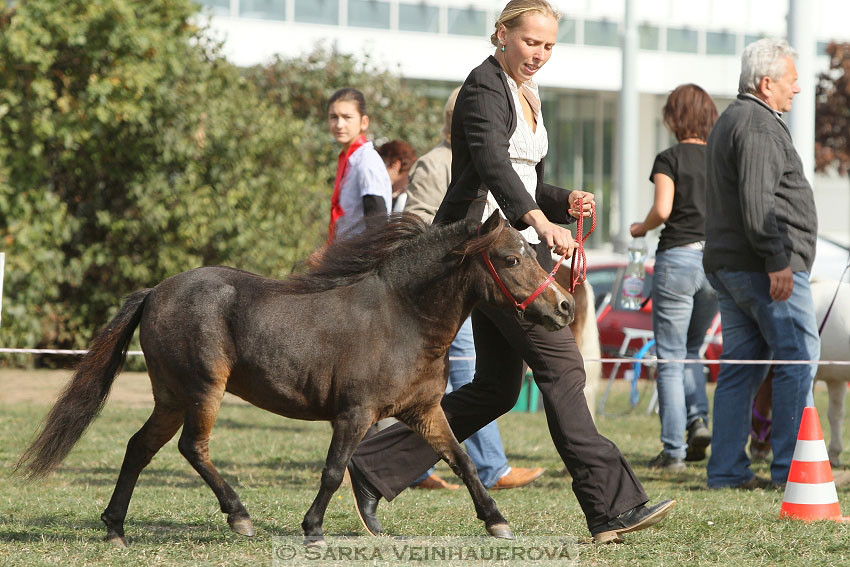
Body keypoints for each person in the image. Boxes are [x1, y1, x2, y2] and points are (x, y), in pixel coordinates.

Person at [346, 0, 674, 544]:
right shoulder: (481, 87)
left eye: (548, 46)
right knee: (564, 371)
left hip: (512, 253)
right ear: (502, 34)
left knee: (496, 389)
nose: (539, 55)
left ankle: (373, 465)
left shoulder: (528, 94)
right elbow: (493, 168)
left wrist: (562, 199)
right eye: (530, 42)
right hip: (489, 257)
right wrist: (540, 221)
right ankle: (611, 506)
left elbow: (520, 176)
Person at [403, 86, 545, 492]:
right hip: (451, 286)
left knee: (464, 379)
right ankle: (490, 468)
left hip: (482, 284)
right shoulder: (435, 164)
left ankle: (411, 466)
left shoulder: (483, 160)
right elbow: (419, 223)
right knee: (466, 377)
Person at [703, 38, 820, 490]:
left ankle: (728, 470)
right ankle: (792, 467)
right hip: (763, 267)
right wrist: (778, 260)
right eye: (792, 81)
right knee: (797, 359)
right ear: (767, 83)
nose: (797, 89)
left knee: (742, 366)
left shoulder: (734, 118)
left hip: (733, 265)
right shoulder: (756, 125)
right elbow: (758, 203)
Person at [629, 84, 718, 471]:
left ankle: (673, 452)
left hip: (678, 259)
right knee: (693, 351)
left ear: (674, 118)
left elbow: (663, 210)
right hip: (714, 262)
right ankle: (698, 420)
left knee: (669, 357)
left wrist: (639, 228)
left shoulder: (669, 158)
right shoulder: (720, 159)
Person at [326, 88, 392, 243]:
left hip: (359, 260)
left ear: (364, 122)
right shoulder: (350, 159)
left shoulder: (367, 162)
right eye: (333, 117)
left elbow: (377, 225)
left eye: (347, 117)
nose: (339, 124)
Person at [376, 140, 417, 213]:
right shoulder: (399, 192)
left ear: (395, 165)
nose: (377, 171)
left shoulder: (405, 197)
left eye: (382, 165)